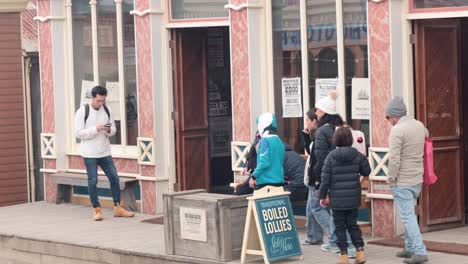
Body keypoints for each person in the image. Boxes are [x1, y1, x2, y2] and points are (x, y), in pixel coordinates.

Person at [74, 86, 135, 221]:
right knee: (93, 181)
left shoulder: (107, 110)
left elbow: (113, 129)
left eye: (103, 101)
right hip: (89, 153)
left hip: (105, 151)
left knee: (114, 178)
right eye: (98, 101)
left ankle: (118, 208)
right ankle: (96, 209)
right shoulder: (82, 111)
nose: (101, 104)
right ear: (92, 98)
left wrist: (108, 130)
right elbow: (78, 133)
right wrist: (95, 129)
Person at [310, 91, 356, 257]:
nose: (315, 112)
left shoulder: (322, 131)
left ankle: (344, 244)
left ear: (323, 112)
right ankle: (335, 241)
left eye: (317, 109)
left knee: (327, 208)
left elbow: (321, 158)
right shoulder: (342, 128)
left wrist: (320, 180)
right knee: (339, 210)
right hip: (346, 176)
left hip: (330, 176)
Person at [385, 96, 428, 264]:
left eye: (388, 117)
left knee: (407, 216)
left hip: (402, 179)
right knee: (409, 213)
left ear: (394, 116)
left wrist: (391, 177)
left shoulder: (397, 130)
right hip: (417, 178)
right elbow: (427, 135)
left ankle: (419, 251)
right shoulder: (419, 125)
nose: (388, 121)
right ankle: (409, 247)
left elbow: (394, 159)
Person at [319, 127, 371, 264]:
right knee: (353, 225)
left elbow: (325, 180)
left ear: (336, 139)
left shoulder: (330, 157)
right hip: (353, 197)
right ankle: (360, 252)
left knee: (340, 227)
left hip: (337, 200)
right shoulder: (357, 155)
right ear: (350, 139)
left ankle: (343, 256)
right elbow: (367, 170)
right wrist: (359, 179)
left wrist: (322, 196)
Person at [249, 112, 285, 189]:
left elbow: (264, 162)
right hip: (279, 181)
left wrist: (254, 176)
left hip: (266, 182)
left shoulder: (265, 141)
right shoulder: (279, 141)